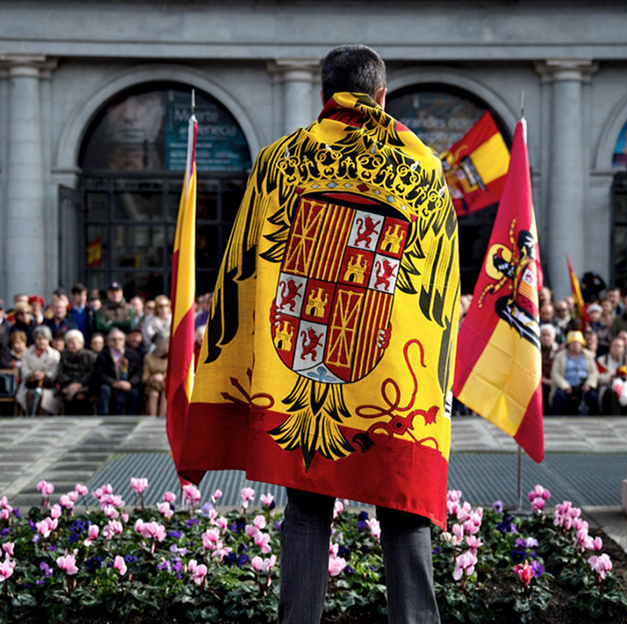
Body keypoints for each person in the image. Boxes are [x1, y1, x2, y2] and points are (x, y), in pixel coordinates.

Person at [177, 45, 459, 624]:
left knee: (306, 513)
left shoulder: (278, 161)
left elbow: (244, 272)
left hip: (298, 371)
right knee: (403, 513)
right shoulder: (426, 169)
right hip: (387, 384)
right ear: (382, 94)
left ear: (323, 93)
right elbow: (440, 290)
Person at [94, 328, 141, 415]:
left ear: (124, 341)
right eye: (114, 339)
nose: (117, 342)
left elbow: (138, 373)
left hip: (127, 384)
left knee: (134, 393)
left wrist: (130, 383)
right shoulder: (103, 356)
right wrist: (113, 383)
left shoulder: (133, 355)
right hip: (110, 384)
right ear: (108, 342)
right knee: (104, 390)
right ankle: (104, 416)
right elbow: (99, 373)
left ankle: (131, 419)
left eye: (120, 339)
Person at [550, 330, 599, 415]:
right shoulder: (560, 356)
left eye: (578, 343)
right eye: (573, 343)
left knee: (593, 397)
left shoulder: (588, 355)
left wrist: (588, 384)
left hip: (584, 387)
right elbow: (555, 373)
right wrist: (565, 386)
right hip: (567, 387)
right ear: (568, 345)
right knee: (558, 397)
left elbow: (594, 372)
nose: (576, 345)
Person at [15, 325, 61, 415]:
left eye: (45, 339)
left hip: (48, 385)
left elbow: (54, 372)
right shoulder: (27, 353)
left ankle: (42, 417)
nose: (42, 341)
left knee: (44, 397)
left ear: (49, 340)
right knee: (29, 394)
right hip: (29, 384)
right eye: (39, 338)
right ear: (35, 339)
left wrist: (44, 375)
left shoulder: (55, 354)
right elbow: (24, 370)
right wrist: (33, 374)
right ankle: (29, 415)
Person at [57, 329, 97, 415]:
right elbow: (61, 372)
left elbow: (90, 372)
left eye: (74, 343)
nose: (72, 345)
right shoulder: (63, 356)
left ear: (81, 343)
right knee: (68, 396)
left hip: (84, 385)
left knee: (80, 397)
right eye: (69, 343)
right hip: (69, 384)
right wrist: (69, 383)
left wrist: (80, 384)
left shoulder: (89, 355)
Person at [142, 334, 169, 417]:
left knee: (165, 395)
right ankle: (152, 418)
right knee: (154, 394)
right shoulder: (148, 357)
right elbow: (144, 377)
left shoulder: (171, 358)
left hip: (166, 385)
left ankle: (162, 419)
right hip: (152, 385)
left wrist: (163, 377)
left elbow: (174, 375)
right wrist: (153, 378)